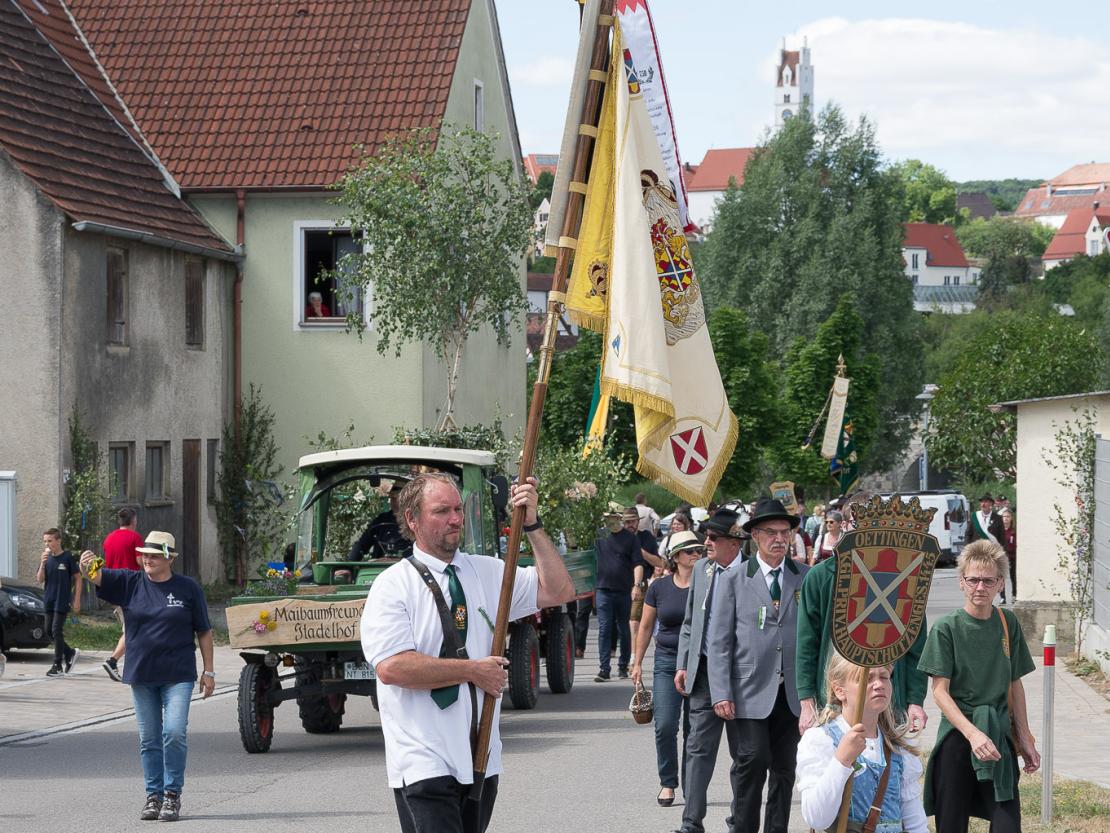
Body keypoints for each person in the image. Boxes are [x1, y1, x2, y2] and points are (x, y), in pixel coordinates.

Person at [361, 473, 574, 833]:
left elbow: (559, 591)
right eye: (441, 511)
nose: (455, 519)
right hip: (423, 762)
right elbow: (392, 668)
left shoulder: (487, 572)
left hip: (480, 760)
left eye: (458, 509)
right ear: (412, 519)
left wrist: (533, 525)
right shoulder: (393, 586)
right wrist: (473, 671)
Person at [80, 531, 215, 823]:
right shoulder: (130, 582)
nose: (147, 559)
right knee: (150, 739)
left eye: (154, 555)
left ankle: (172, 794)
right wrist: (87, 566)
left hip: (178, 674)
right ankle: (154, 796)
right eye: (144, 555)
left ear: (169, 558)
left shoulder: (188, 588)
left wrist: (209, 671)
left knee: (174, 733)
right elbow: (98, 576)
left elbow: (204, 631)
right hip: (142, 674)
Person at [917, 540, 1040, 833]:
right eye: (973, 580)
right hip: (958, 737)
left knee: (1007, 824)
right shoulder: (946, 628)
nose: (980, 587)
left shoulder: (1008, 622)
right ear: (961, 582)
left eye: (988, 581)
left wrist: (1024, 736)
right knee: (951, 824)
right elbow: (940, 692)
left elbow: (1015, 684)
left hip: (998, 734)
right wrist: (973, 735)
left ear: (1000, 584)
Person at [709, 497, 809, 833]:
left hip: (792, 692)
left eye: (785, 532)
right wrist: (721, 691)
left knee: (785, 768)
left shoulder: (804, 576)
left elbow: (816, 635)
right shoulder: (734, 579)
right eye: (771, 532)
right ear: (755, 536)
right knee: (752, 761)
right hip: (748, 690)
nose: (779, 539)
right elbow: (719, 641)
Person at [796, 549, 929, 738]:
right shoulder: (821, 576)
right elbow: (807, 645)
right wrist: (807, 702)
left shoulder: (905, 572)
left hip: (888, 702)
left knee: (885, 754)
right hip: (836, 701)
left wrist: (915, 700)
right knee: (839, 754)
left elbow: (916, 647)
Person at [673, 507, 746, 833]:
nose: (706, 542)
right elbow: (690, 621)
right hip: (702, 673)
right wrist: (683, 663)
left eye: (714, 537)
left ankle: (738, 821)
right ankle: (691, 823)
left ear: (735, 542)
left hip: (742, 677)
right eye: (706, 536)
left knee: (743, 754)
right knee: (697, 749)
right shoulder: (702, 569)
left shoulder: (752, 573)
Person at [796, 653, 927, 833]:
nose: (879, 684)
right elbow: (817, 819)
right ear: (839, 690)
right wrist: (841, 761)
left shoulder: (897, 748)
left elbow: (915, 824)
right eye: (867, 678)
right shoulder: (822, 740)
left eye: (884, 677)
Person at [630, 530, 703, 807]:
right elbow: (646, 626)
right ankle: (668, 782)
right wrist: (637, 663)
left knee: (694, 730)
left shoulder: (707, 585)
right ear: (675, 556)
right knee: (665, 725)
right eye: (690, 551)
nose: (696, 555)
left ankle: (692, 785)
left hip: (699, 663)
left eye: (698, 550)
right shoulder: (659, 588)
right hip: (666, 661)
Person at [593, 507, 648, 682]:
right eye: (607, 518)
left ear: (619, 519)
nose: (611, 520)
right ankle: (604, 669)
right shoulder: (599, 536)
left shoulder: (630, 538)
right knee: (604, 628)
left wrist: (636, 585)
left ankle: (623, 665)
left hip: (624, 590)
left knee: (624, 629)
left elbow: (638, 563)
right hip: (603, 589)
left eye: (614, 517)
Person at [101, 507, 144, 681]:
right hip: (131, 588)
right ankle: (113, 661)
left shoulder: (109, 538)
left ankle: (134, 663)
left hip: (113, 587)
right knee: (134, 628)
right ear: (133, 520)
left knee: (134, 627)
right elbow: (140, 561)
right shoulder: (135, 538)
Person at [36, 528, 81, 676]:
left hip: (62, 600)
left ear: (58, 540)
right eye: (45, 541)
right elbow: (40, 579)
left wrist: (77, 599)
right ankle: (69, 653)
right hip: (49, 599)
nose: (47, 544)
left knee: (56, 630)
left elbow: (78, 578)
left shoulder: (67, 557)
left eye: (50, 541)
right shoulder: (46, 558)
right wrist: (42, 563)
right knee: (48, 631)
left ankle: (57, 665)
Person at [349, 481, 408, 560]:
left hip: (408, 566)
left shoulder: (416, 522)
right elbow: (361, 545)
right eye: (392, 498)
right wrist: (349, 564)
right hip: (379, 566)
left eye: (397, 498)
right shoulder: (381, 520)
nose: (394, 502)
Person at [1001, 508, 1017, 600]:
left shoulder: (1014, 531)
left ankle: (1014, 595)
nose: (1006, 518)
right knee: (1001, 577)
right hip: (1002, 557)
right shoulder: (1000, 531)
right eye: (1004, 516)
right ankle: (1002, 597)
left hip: (1012, 557)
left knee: (1013, 577)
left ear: (1011, 518)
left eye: (1008, 516)